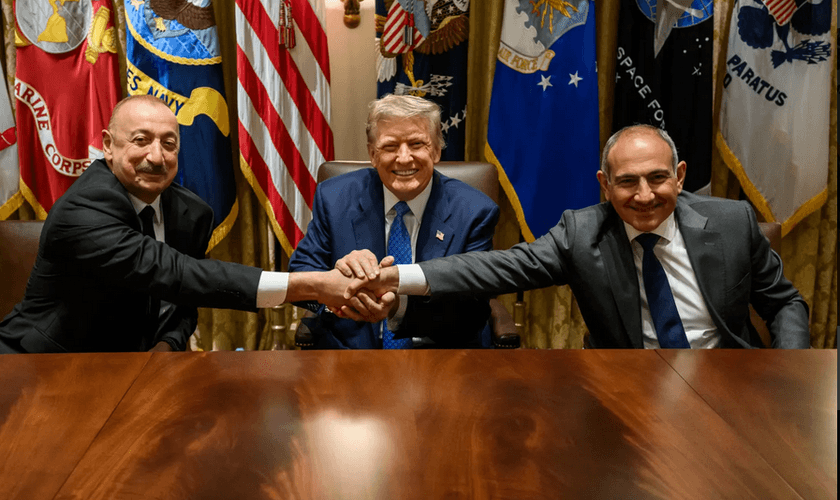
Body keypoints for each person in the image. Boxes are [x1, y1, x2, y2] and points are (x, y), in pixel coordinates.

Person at [346, 124, 811, 349]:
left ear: (680, 176)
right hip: (628, 386)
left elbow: (784, 303)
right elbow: (495, 267)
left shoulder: (732, 222)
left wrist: (786, 369)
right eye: (627, 182)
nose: (645, 195)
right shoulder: (582, 232)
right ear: (604, 185)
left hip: (729, 379)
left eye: (658, 178)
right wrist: (397, 278)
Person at [0, 95, 385, 354]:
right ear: (108, 145)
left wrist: (168, 347)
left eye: (169, 143)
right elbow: (181, 274)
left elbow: (181, 302)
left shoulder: (190, 213)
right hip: (43, 363)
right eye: (140, 140)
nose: (156, 155)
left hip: (137, 369)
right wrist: (315, 285)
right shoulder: (85, 208)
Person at [288, 94, 500, 349]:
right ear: (372, 153)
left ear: (436, 150)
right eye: (390, 146)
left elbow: (473, 305)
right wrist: (341, 284)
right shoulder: (334, 197)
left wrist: (399, 305)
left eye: (417, 144)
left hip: (441, 354)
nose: (404, 158)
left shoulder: (474, 210)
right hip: (349, 355)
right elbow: (300, 274)